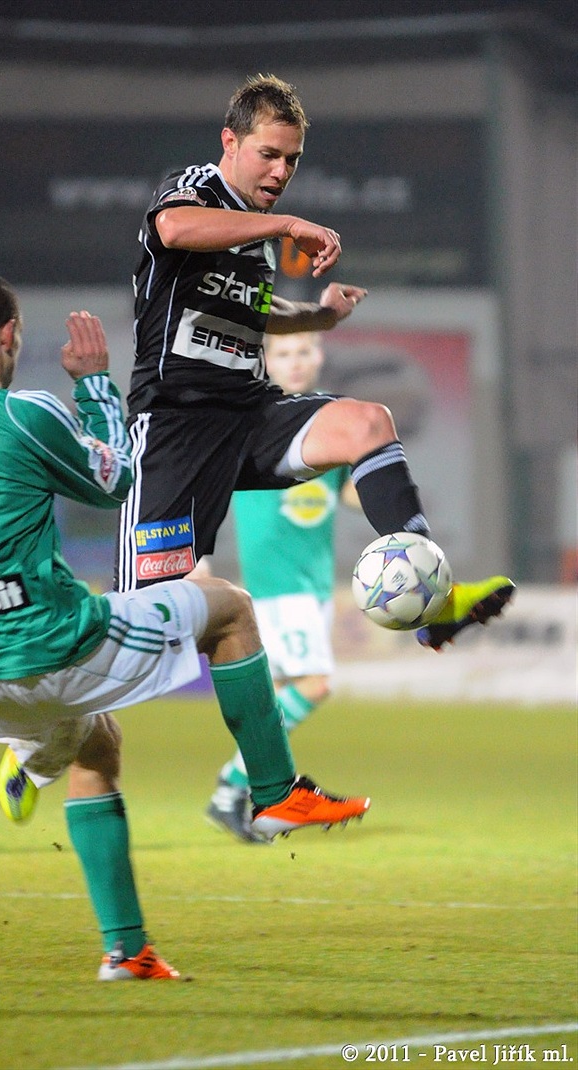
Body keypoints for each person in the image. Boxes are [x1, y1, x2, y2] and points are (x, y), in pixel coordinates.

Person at [0, 269, 371, 983]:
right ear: (11, 335)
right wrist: (96, 385)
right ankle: (272, 792)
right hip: (53, 641)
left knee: (96, 747)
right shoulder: (22, 415)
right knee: (228, 606)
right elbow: (116, 479)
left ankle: (125, 948)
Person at [114, 72, 514, 656]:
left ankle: (437, 601)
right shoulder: (194, 190)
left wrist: (317, 318)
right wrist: (287, 222)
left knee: (368, 424)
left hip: (248, 414)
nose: (280, 172)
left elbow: (254, 311)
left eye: (292, 161)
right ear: (230, 143)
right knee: (134, 639)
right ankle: (32, 743)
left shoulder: (256, 237)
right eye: (268, 155)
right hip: (174, 428)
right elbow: (173, 228)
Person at [204, 332, 359, 842]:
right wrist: (199, 554)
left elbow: (354, 493)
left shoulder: (323, 426)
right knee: (315, 685)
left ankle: (237, 795)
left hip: (312, 587)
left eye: (304, 352)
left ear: (319, 357)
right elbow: (205, 481)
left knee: (274, 698)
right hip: (279, 585)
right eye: (283, 354)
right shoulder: (254, 421)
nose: (294, 364)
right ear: (264, 360)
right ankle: (232, 788)